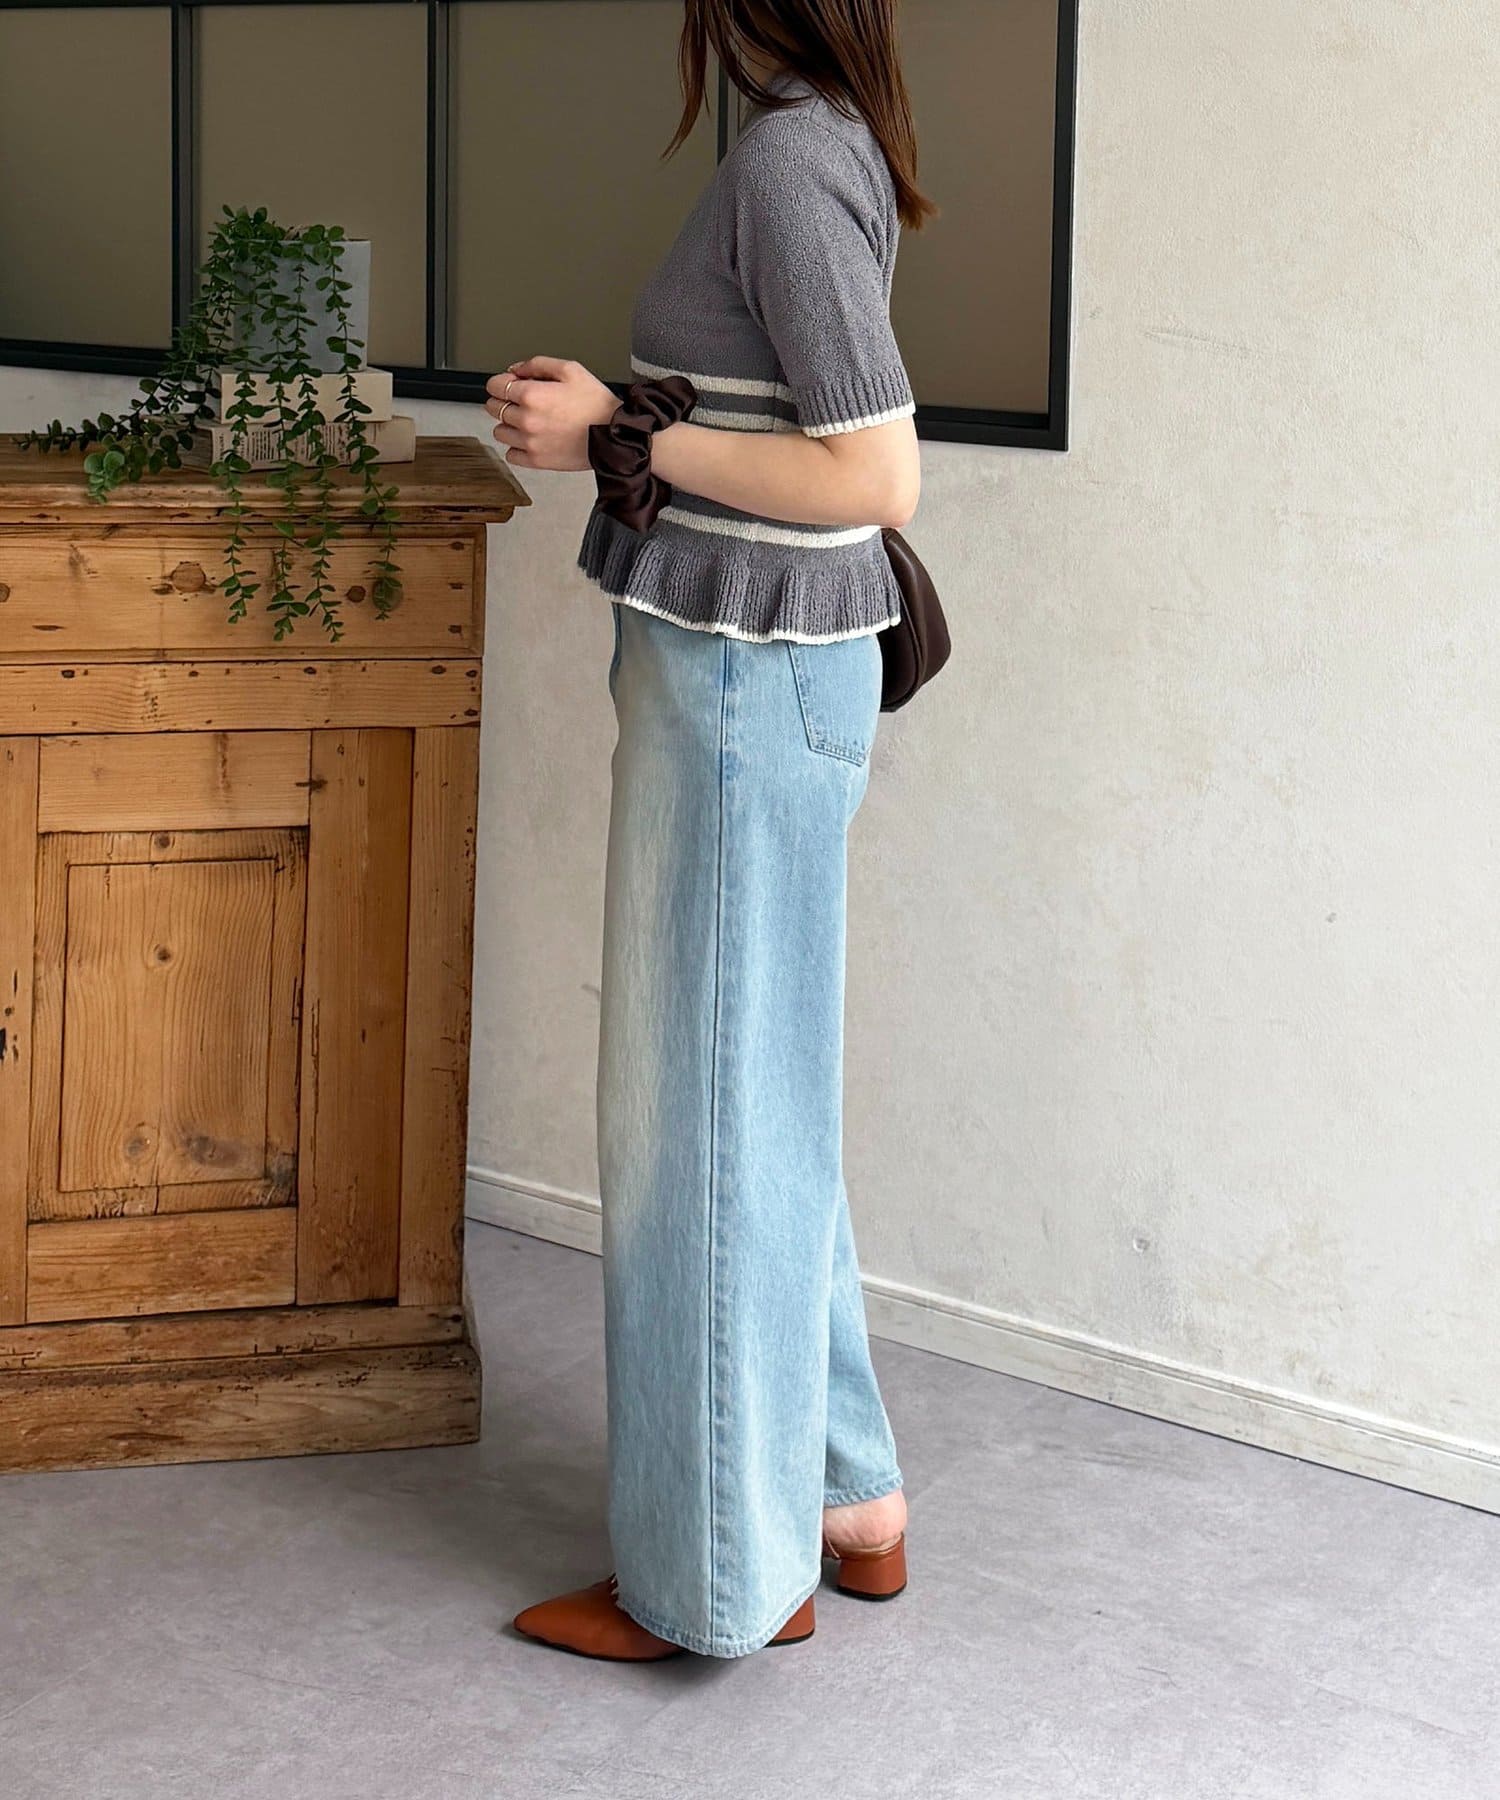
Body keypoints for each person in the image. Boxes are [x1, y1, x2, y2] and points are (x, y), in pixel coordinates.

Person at [485, 0, 934, 1662]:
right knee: (759, 1103)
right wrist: (629, 419)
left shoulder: (789, 162)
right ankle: (847, 1499)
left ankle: (713, 1589)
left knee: (698, 1128)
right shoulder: (827, 139)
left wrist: (617, 430)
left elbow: (876, 477)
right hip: (756, 677)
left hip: (744, 687)